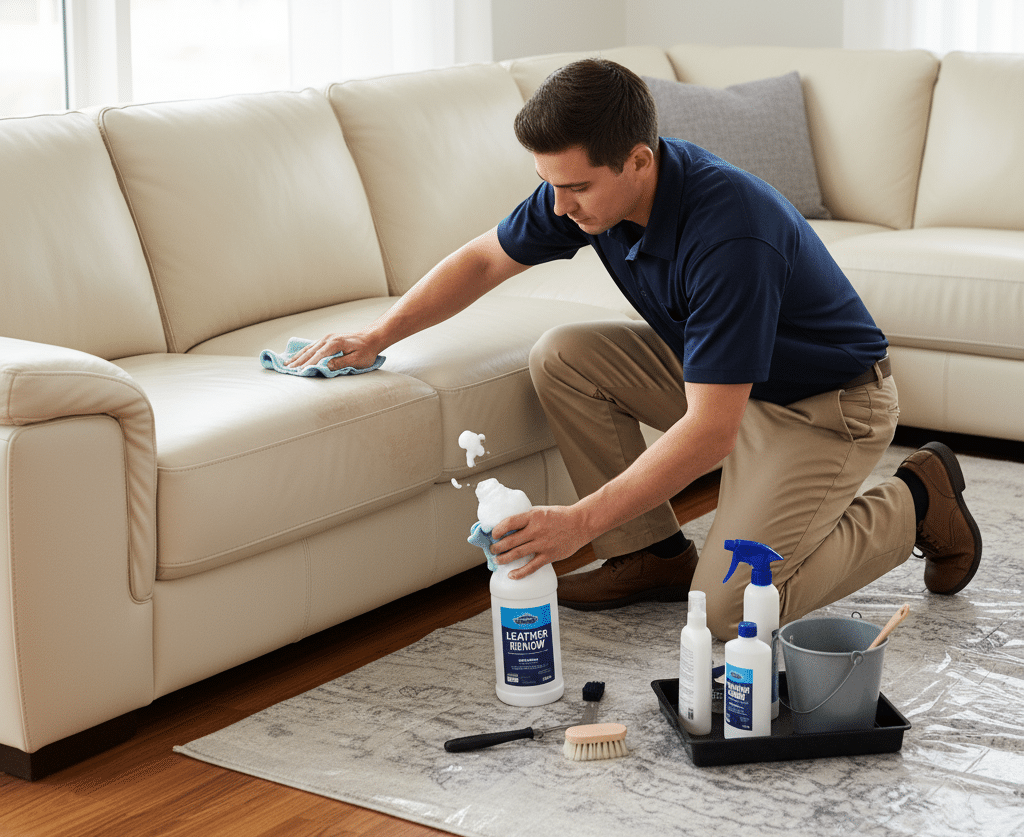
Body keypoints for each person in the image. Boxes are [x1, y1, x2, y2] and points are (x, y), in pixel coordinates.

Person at [287, 59, 982, 639]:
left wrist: (579, 524)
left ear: (639, 161)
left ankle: (919, 499)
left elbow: (712, 433)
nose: (560, 208)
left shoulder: (729, 235)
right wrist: (378, 335)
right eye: (549, 185)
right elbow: (482, 261)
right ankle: (650, 554)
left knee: (727, 615)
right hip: (728, 382)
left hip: (823, 406)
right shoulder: (585, 194)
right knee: (565, 355)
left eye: (576, 187)